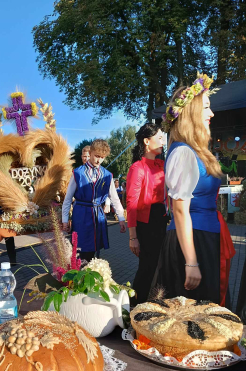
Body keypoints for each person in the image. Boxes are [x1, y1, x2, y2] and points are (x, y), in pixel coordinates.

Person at [152, 73, 235, 306]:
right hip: (192, 241)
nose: (212, 113)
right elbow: (179, 210)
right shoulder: (183, 152)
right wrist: (191, 261)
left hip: (203, 236)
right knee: (191, 312)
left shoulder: (195, 150)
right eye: (206, 107)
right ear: (191, 114)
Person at [62, 139, 126, 262]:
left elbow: (114, 197)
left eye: (102, 157)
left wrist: (121, 218)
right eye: (97, 156)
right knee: (80, 250)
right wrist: (65, 219)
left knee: (95, 250)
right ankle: (78, 275)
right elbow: (68, 198)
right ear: (90, 153)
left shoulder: (107, 175)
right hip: (81, 214)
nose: (99, 160)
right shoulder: (78, 173)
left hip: (98, 215)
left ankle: (92, 274)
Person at [126, 123, 167, 304]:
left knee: (161, 266)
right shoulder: (137, 168)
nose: (162, 142)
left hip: (162, 218)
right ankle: (135, 308)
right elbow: (131, 203)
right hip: (146, 223)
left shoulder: (162, 165)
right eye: (158, 138)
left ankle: (153, 303)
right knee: (146, 268)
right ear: (146, 141)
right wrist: (133, 236)